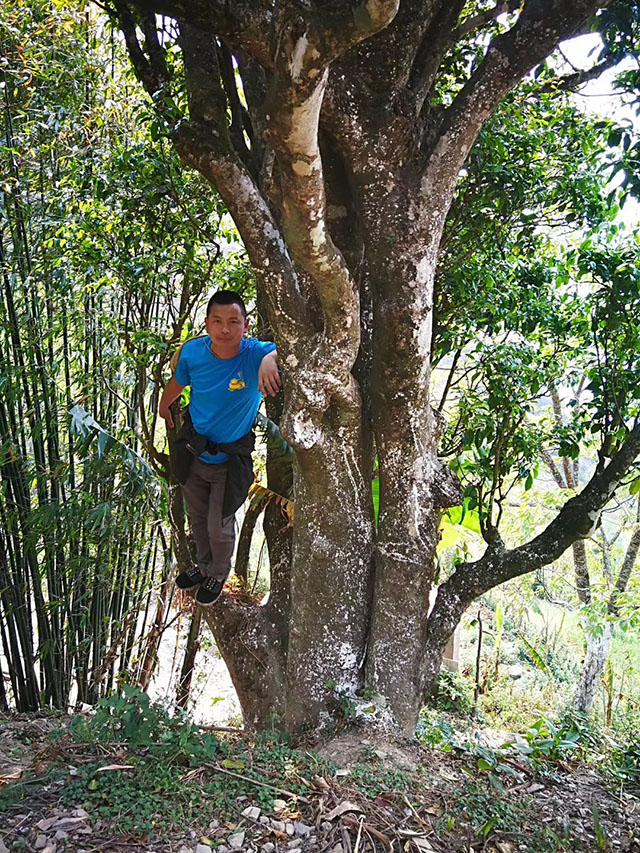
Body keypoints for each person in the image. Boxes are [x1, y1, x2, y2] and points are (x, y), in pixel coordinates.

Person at [159, 291, 280, 606]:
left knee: (219, 522)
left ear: (245, 324)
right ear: (207, 324)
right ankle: (203, 566)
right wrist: (163, 404)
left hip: (230, 459)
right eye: (217, 321)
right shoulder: (193, 353)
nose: (225, 329)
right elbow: (179, 380)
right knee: (197, 518)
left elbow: (279, 352)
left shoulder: (254, 354)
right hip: (194, 450)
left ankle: (218, 574)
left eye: (233, 322)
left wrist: (269, 361)